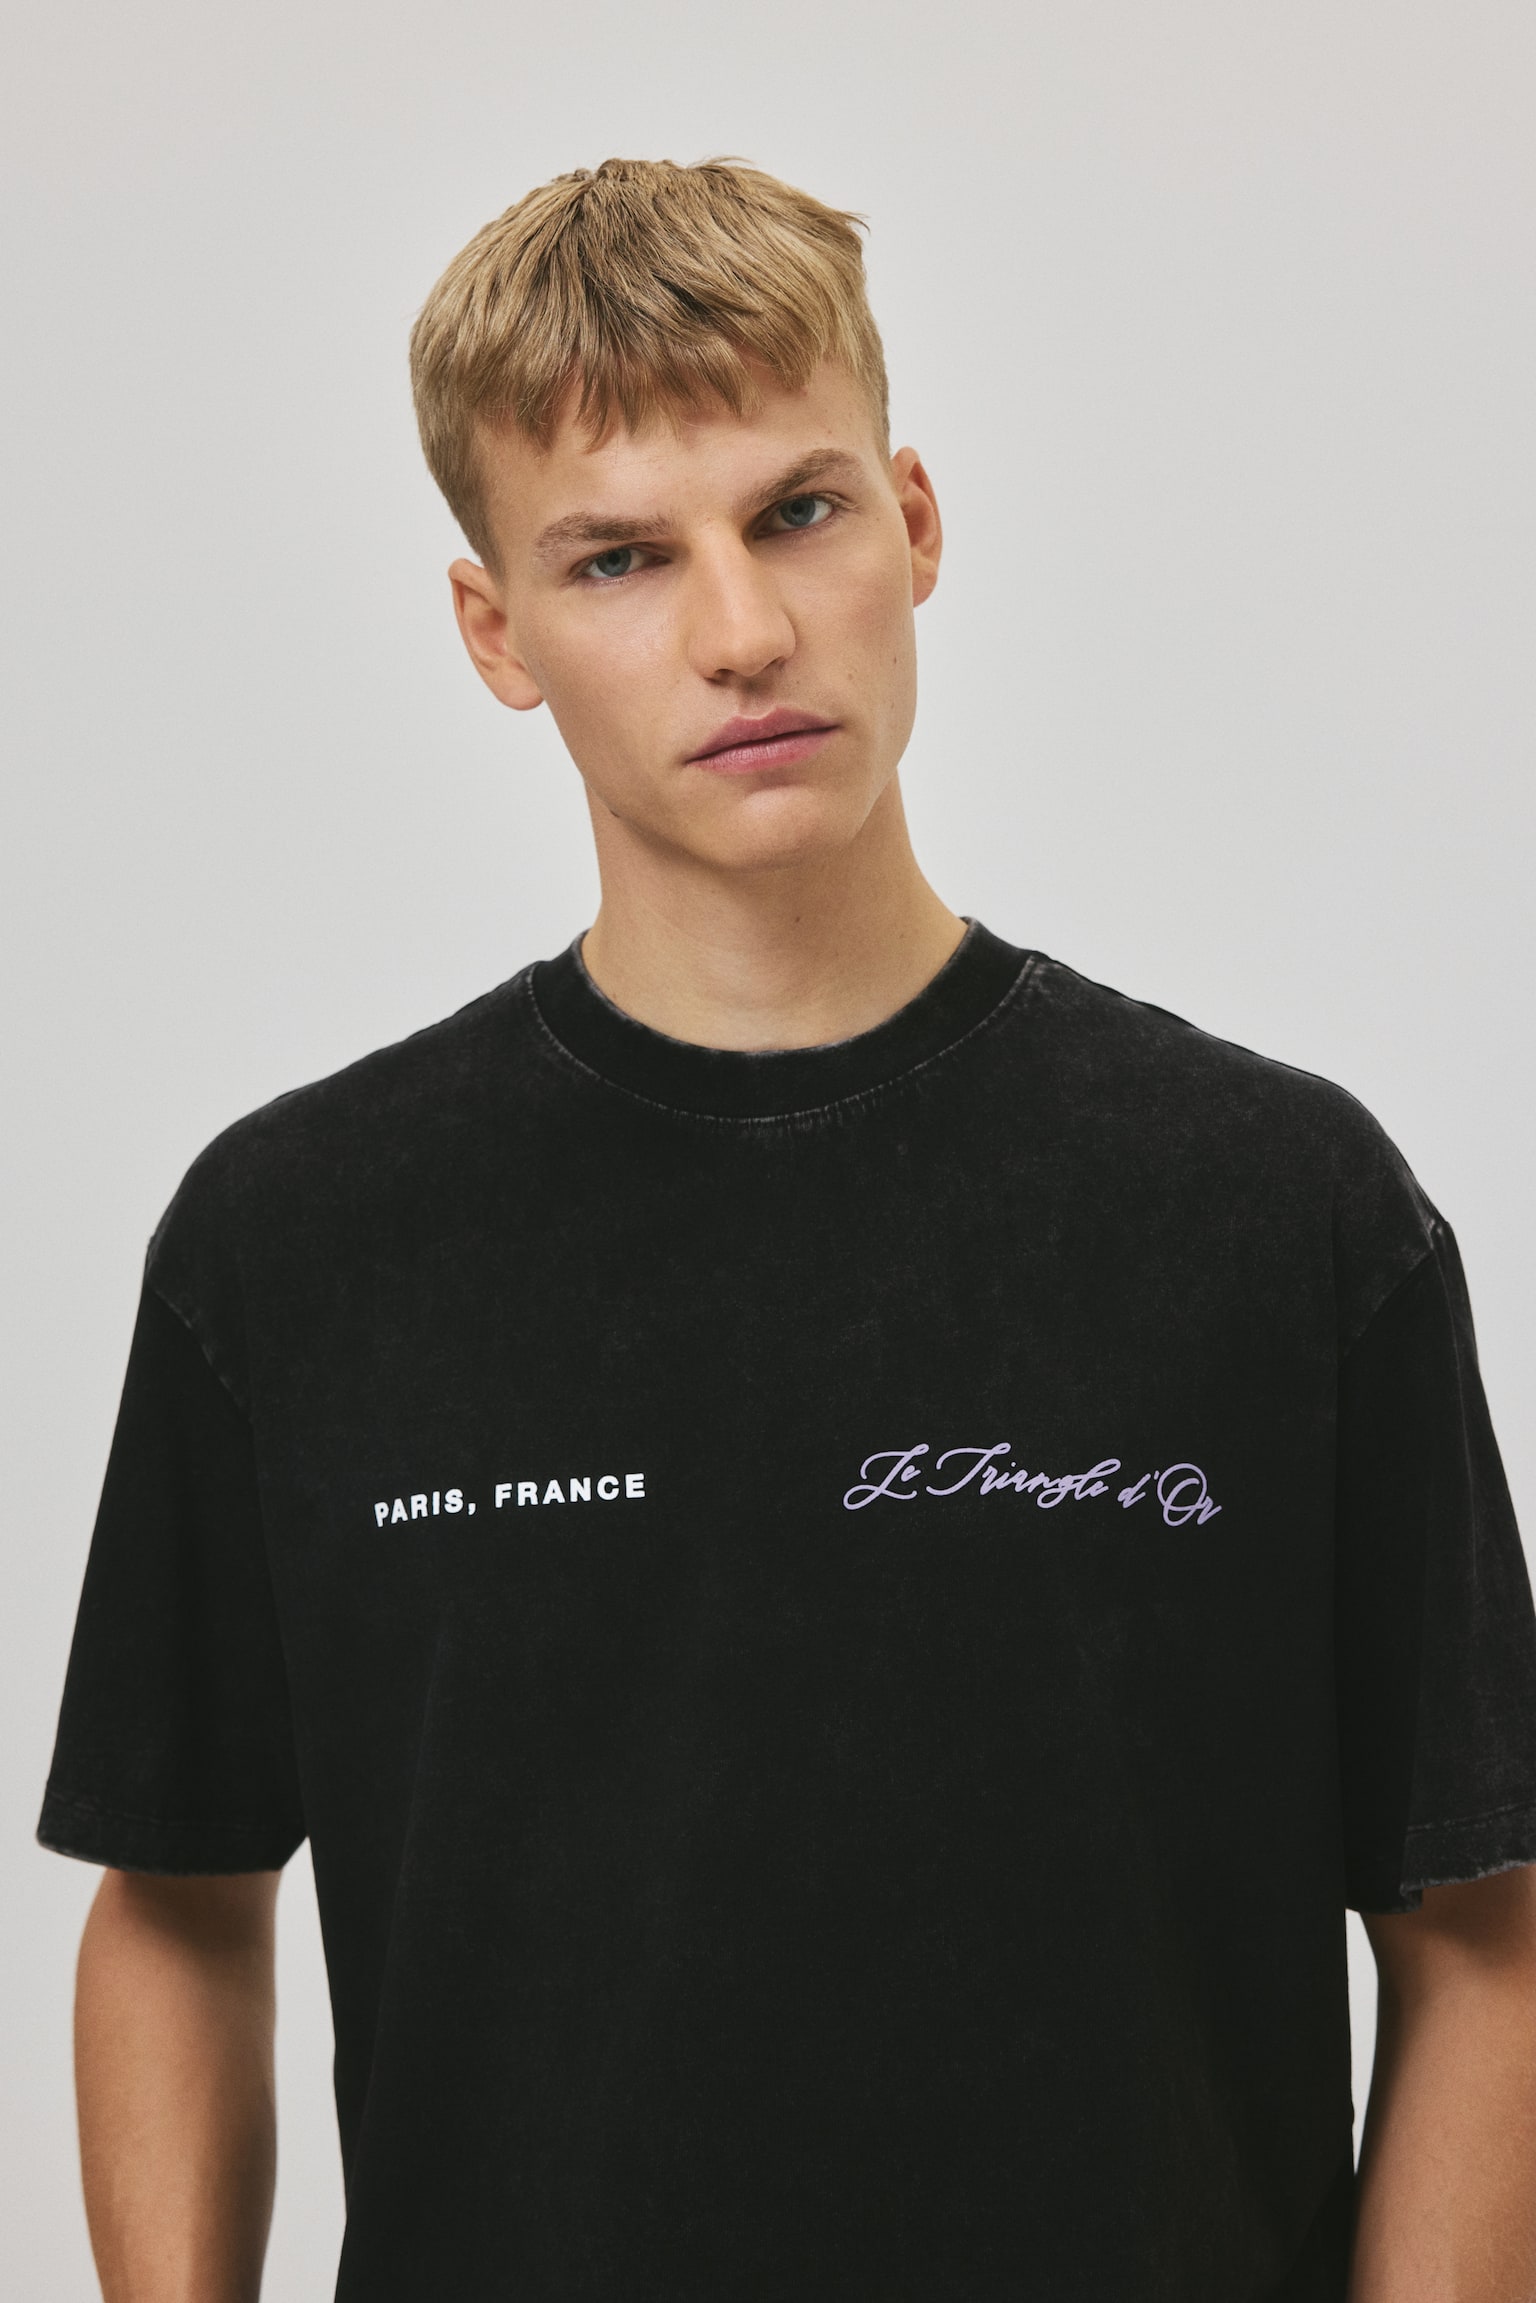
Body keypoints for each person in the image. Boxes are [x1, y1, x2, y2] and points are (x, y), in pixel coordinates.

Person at [37, 156, 1536, 2303]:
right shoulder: (299, 1244)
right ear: (497, 631)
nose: (742, 630)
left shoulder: (1280, 1210)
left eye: (799, 511)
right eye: (620, 556)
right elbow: (179, 1904)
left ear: (913, 523)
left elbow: (1479, 1937)